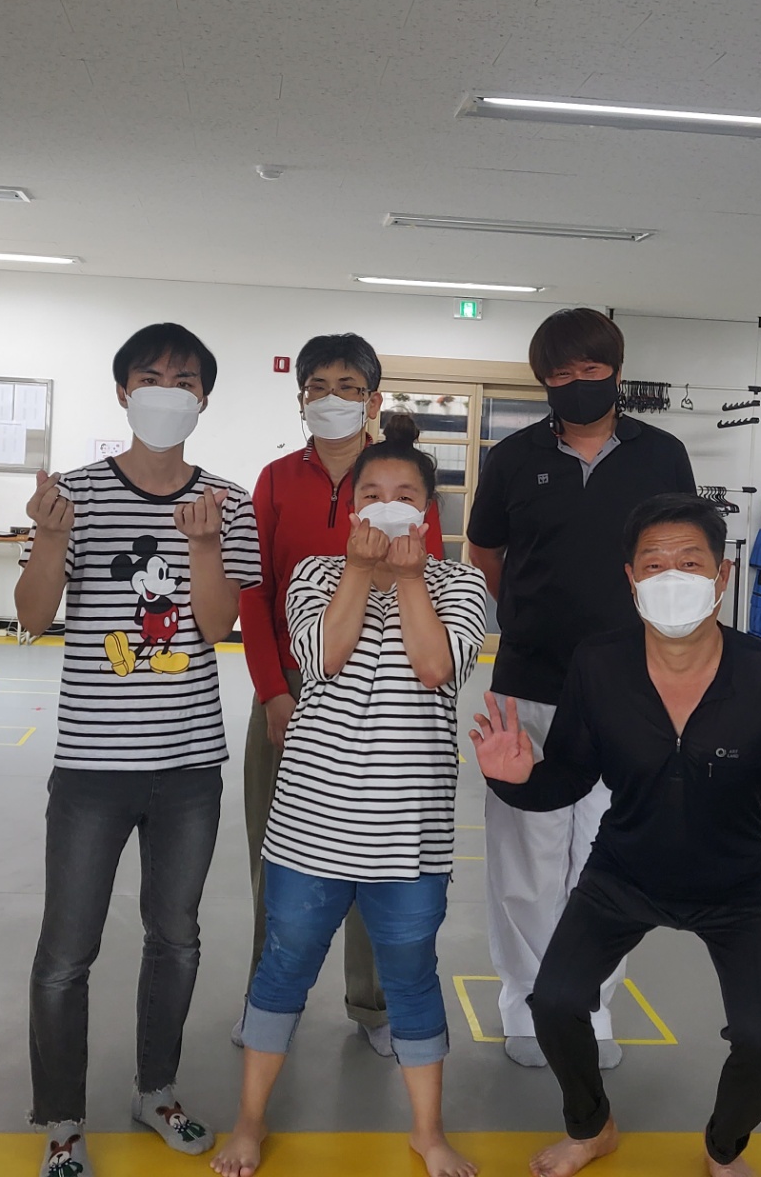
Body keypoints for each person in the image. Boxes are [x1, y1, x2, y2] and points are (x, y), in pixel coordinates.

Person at [471, 493, 761, 1177]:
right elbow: (568, 777)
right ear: (630, 579)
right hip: (624, 873)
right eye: (654, 564)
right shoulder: (599, 664)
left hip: (738, 887)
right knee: (555, 1002)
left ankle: (723, 1146)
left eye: (690, 563)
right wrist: (515, 779)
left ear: (722, 576)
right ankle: (591, 1127)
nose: (672, 577)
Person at [212, 414, 488, 1177]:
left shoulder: (461, 584)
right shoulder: (314, 575)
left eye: (405, 494)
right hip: (311, 825)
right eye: (372, 494)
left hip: (411, 833)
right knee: (282, 967)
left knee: (413, 977)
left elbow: (436, 667)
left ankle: (428, 1133)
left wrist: (409, 578)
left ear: (429, 511)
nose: (388, 504)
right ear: (352, 507)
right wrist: (361, 573)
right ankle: (249, 1121)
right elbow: (324, 656)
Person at [16, 322, 262, 1177]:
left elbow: (218, 626)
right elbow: (33, 617)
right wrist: (52, 537)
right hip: (92, 764)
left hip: (189, 764)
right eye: (150, 377)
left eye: (183, 379)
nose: (166, 391)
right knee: (66, 952)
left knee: (176, 938)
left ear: (204, 398)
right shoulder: (72, 495)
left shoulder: (228, 502)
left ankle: (156, 1091)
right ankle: (61, 1122)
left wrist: (203, 545)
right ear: (123, 392)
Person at [465, 307, 696, 1068]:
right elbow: (485, 555)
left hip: (630, 691)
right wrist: (529, 616)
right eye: (559, 375)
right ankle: (530, 1008)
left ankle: (588, 1008)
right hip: (528, 686)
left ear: (617, 373)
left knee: (609, 857)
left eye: (590, 370)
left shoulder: (663, 456)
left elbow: (680, 557)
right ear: (543, 382)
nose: (576, 384)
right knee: (525, 861)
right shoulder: (513, 458)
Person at [236, 333, 446, 1054]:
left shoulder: (400, 479)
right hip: (294, 679)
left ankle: (374, 1005)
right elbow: (255, 592)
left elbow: (428, 585)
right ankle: (267, 999)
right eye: (318, 386)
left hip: (386, 689)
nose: (332, 398)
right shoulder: (275, 480)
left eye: (349, 387)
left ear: (373, 400)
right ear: (301, 398)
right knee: (276, 851)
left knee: (379, 851)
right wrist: (273, 691)